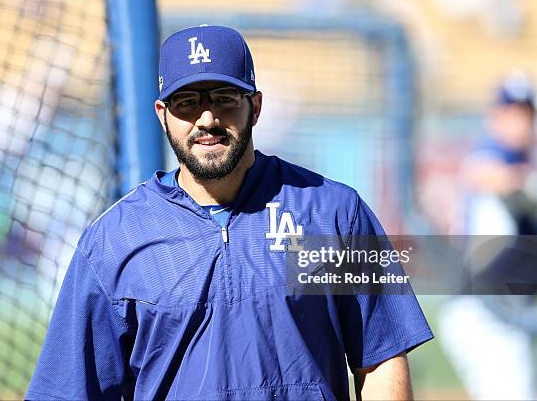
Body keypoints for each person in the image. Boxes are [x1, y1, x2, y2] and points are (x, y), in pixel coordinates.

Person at [26, 25, 433, 401]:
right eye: (186, 103)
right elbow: (68, 388)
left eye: (224, 99)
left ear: (254, 107)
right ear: (161, 115)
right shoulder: (114, 239)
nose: (207, 119)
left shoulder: (335, 212)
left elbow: (382, 357)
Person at [440, 73, 536, 400]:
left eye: (526, 115)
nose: (519, 123)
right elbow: (484, 174)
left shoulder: (522, 161)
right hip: (481, 308)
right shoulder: (490, 155)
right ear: (494, 116)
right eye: (511, 113)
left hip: (503, 309)